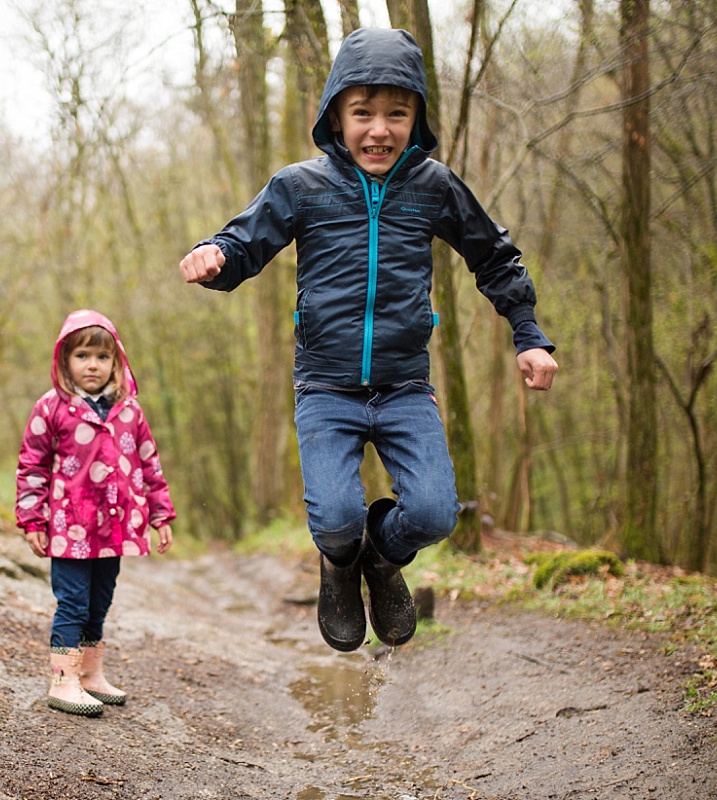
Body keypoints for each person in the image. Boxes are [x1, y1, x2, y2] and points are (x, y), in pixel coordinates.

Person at [179, 28, 557, 653]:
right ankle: (339, 563)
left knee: (436, 513)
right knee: (334, 518)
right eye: (363, 114)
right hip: (325, 386)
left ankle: (382, 559)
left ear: (417, 120)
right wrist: (215, 255)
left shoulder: (435, 187)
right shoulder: (301, 187)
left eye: (396, 114)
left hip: (405, 385)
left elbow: (494, 255)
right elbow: (246, 242)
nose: (379, 130)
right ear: (335, 116)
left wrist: (528, 335)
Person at [16, 309, 175, 716]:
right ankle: (63, 679)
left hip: (115, 529)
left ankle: (90, 673)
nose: (92, 365)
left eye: (102, 358)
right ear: (65, 360)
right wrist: (32, 519)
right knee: (73, 602)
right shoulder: (53, 408)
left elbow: (149, 464)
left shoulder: (129, 411)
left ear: (116, 361)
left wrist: (160, 515)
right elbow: (32, 466)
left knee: (100, 600)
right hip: (70, 526)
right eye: (82, 356)